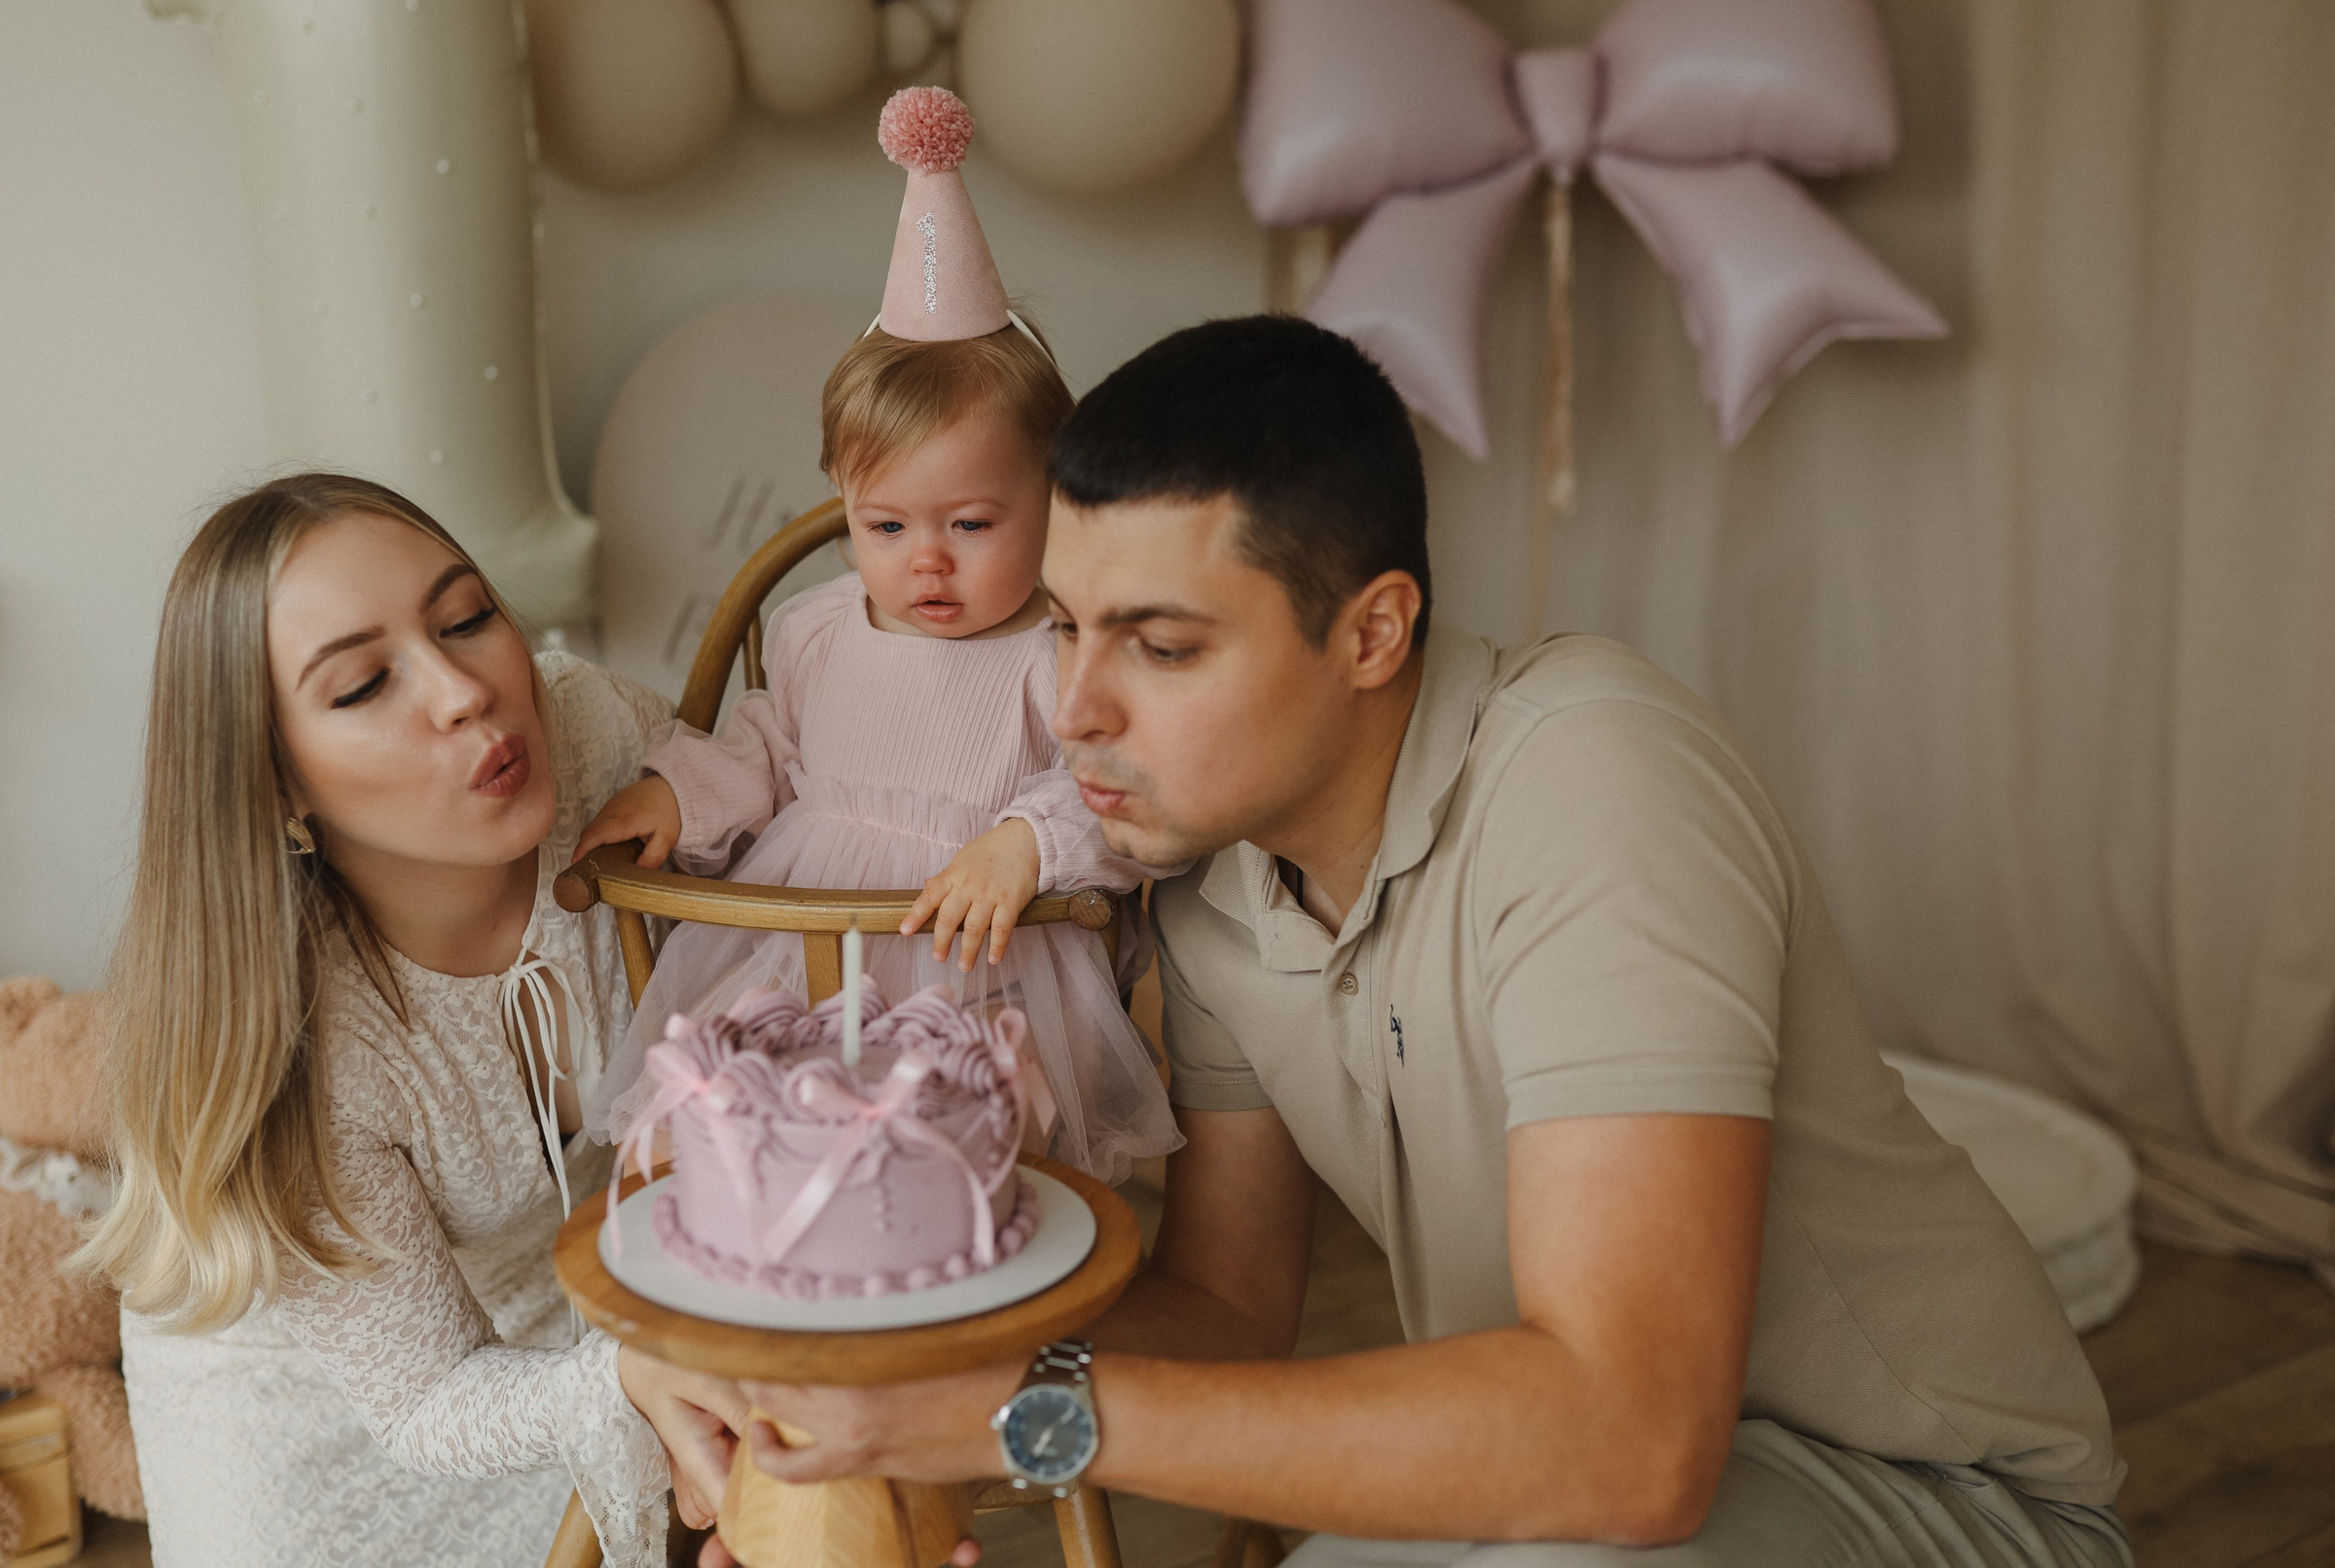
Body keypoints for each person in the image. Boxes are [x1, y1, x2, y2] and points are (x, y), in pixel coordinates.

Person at [716, 316, 2133, 1568]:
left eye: (1163, 646)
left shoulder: (1595, 778)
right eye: (1068, 627)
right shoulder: (1210, 879)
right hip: (1555, 1477)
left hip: (1928, 1494)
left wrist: (1010, 1411)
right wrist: (856, 1382)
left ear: (1372, 631)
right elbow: (1224, 1311)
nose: (1076, 705)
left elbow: (1633, 1443)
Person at [81, 475, 734, 1567]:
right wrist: (618, 1382)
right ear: (277, 785)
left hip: (567, 1295)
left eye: (466, 618)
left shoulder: (596, 738)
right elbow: (426, 1393)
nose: (465, 692)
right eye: (362, 684)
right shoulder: (302, 1043)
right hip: (323, 1410)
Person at [580, 88, 1180, 1186]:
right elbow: (767, 746)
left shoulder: (1060, 651)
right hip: (804, 947)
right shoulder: (814, 629)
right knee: (724, 1110)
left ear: (1053, 498)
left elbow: (1129, 794)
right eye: (885, 526)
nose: (926, 561)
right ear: (842, 500)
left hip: (980, 965)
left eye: (971, 524)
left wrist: (1026, 843)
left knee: (965, 1157)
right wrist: (680, 794)